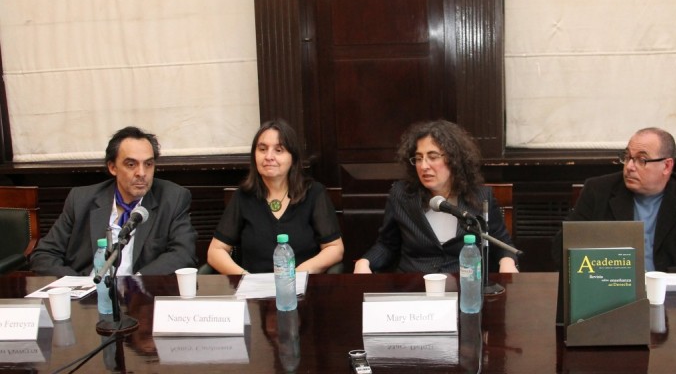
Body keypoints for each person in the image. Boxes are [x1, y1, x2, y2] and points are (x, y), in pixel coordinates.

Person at [354, 120, 519, 274]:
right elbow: (387, 244)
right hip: (414, 285)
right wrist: (364, 262)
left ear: (453, 159)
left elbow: (502, 244)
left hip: (464, 284)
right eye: (418, 159)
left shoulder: (480, 196)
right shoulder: (402, 195)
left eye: (432, 157)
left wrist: (507, 262)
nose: (424, 166)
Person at [30, 126, 198, 276]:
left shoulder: (173, 198)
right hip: (88, 298)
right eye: (131, 164)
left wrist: (138, 282)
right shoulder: (81, 199)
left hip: (141, 297)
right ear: (112, 167)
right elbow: (44, 255)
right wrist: (80, 287)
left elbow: (183, 254)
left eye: (148, 164)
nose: (141, 173)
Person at [552, 127, 676, 272]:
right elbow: (562, 247)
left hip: (673, 294)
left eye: (641, 160)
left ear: (666, 166)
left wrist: (665, 278)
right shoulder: (598, 191)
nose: (630, 167)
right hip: (613, 290)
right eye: (627, 157)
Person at [207, 119, 344, 274]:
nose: (269, 156)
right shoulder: (243, 196)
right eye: (262, 149)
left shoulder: (313, 193)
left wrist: (298, 274)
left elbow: (334, 248)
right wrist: (244, 277)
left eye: (279, 150)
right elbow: (215, 251)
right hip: (254, 290)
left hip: (301, 286)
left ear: (293, 158)